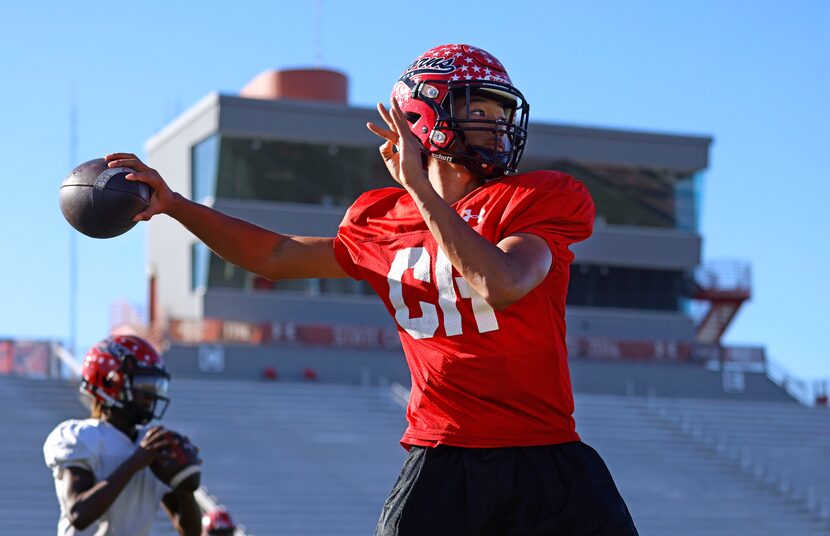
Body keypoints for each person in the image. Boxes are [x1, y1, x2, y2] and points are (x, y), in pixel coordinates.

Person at [106, 43, 638, 535]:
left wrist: (420, 191)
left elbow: (503, 281)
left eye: (501, 114)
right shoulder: (381, 217)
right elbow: (275, 255)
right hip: (443, 459)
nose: (496, 126)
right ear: (425, 117)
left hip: (547, 456)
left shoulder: (538, 197)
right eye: (479, 110)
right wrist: (176, 205)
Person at [43, 335, 202, 536]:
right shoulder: (81, 437)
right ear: (110, 383)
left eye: (155, 386)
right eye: (144, 386)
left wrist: (185, 484)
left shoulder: (153, 443)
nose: (151, 396)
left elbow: (191, 532)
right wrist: (134, 463)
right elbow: (79, 514)